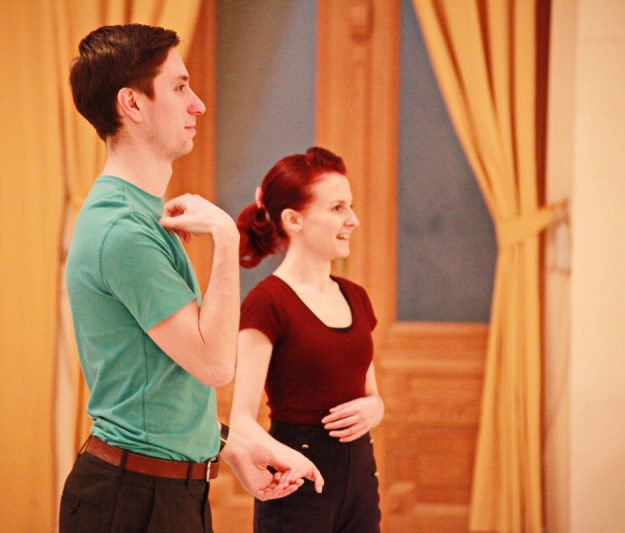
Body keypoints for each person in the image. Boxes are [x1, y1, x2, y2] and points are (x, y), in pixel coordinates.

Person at [60, 24, 322, 533]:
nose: (197, 104)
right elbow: (215, 365)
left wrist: (230, 445)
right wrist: (226, 236)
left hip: (163, 493)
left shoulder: (139, 214)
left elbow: (157, 385)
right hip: (131, 500)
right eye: (180, 87)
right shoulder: (123, 230)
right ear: (132, 104)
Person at [230, 147, 385, 533]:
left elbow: (371, 394)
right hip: (296, 486)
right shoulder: (267, 302)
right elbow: (241, 420)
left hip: (361, 483)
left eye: (350, 207)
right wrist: (291, 460)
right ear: (294, 219)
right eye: (337, 208)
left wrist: (376, 408)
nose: (353, 220)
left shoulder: (356, 296)